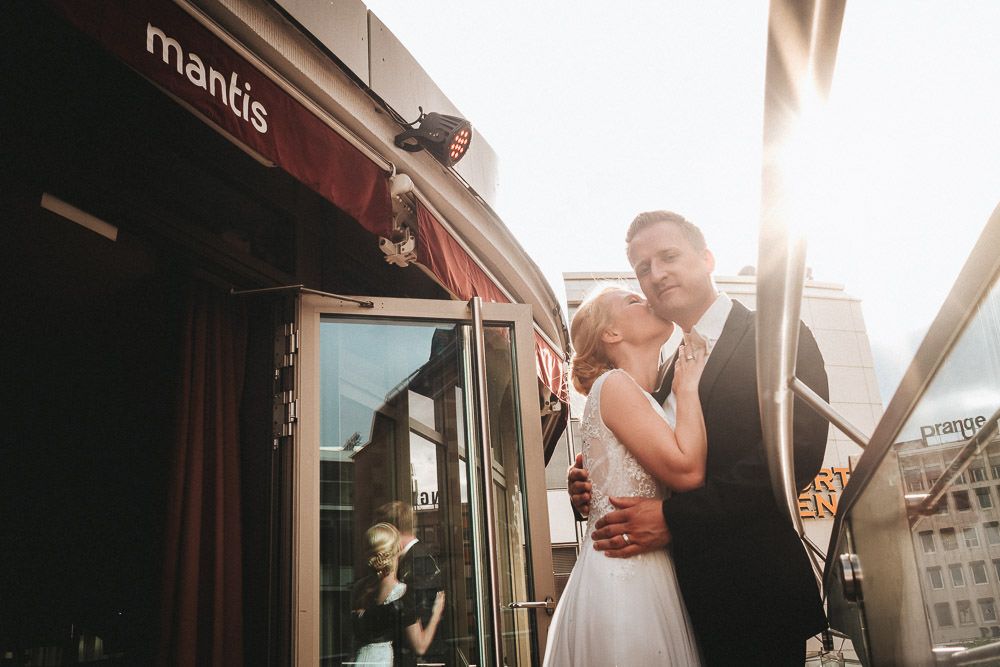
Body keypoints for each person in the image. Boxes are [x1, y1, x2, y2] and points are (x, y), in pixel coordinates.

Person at [568, 211, 830, 666]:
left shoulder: (774, 336)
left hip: (752, 594)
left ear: (707, 258)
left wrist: (676, 517)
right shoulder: (657, 375)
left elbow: (796, 455)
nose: (656, 274)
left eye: (668, 256)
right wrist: (589, 480)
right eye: (642, 269)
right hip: (668, 601)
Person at [543, 286, 707, 666]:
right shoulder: (615, 385)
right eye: (633, 300)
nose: (649, 299)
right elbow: (687, 470)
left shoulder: (637, 392)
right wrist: (690, 389)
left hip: (643, 567)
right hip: (626, 577)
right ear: (611, 334)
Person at [351, 522, 445, 666]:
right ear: (399, 549)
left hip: (358, 660)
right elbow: (420, 646)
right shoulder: (401, 593)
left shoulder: (359, 588)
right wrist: (436, 613)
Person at [374, 501, 445, 667]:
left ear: (393, 530)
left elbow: (418, 613)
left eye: (383, 530)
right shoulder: (418, 557)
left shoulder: (417, 562)